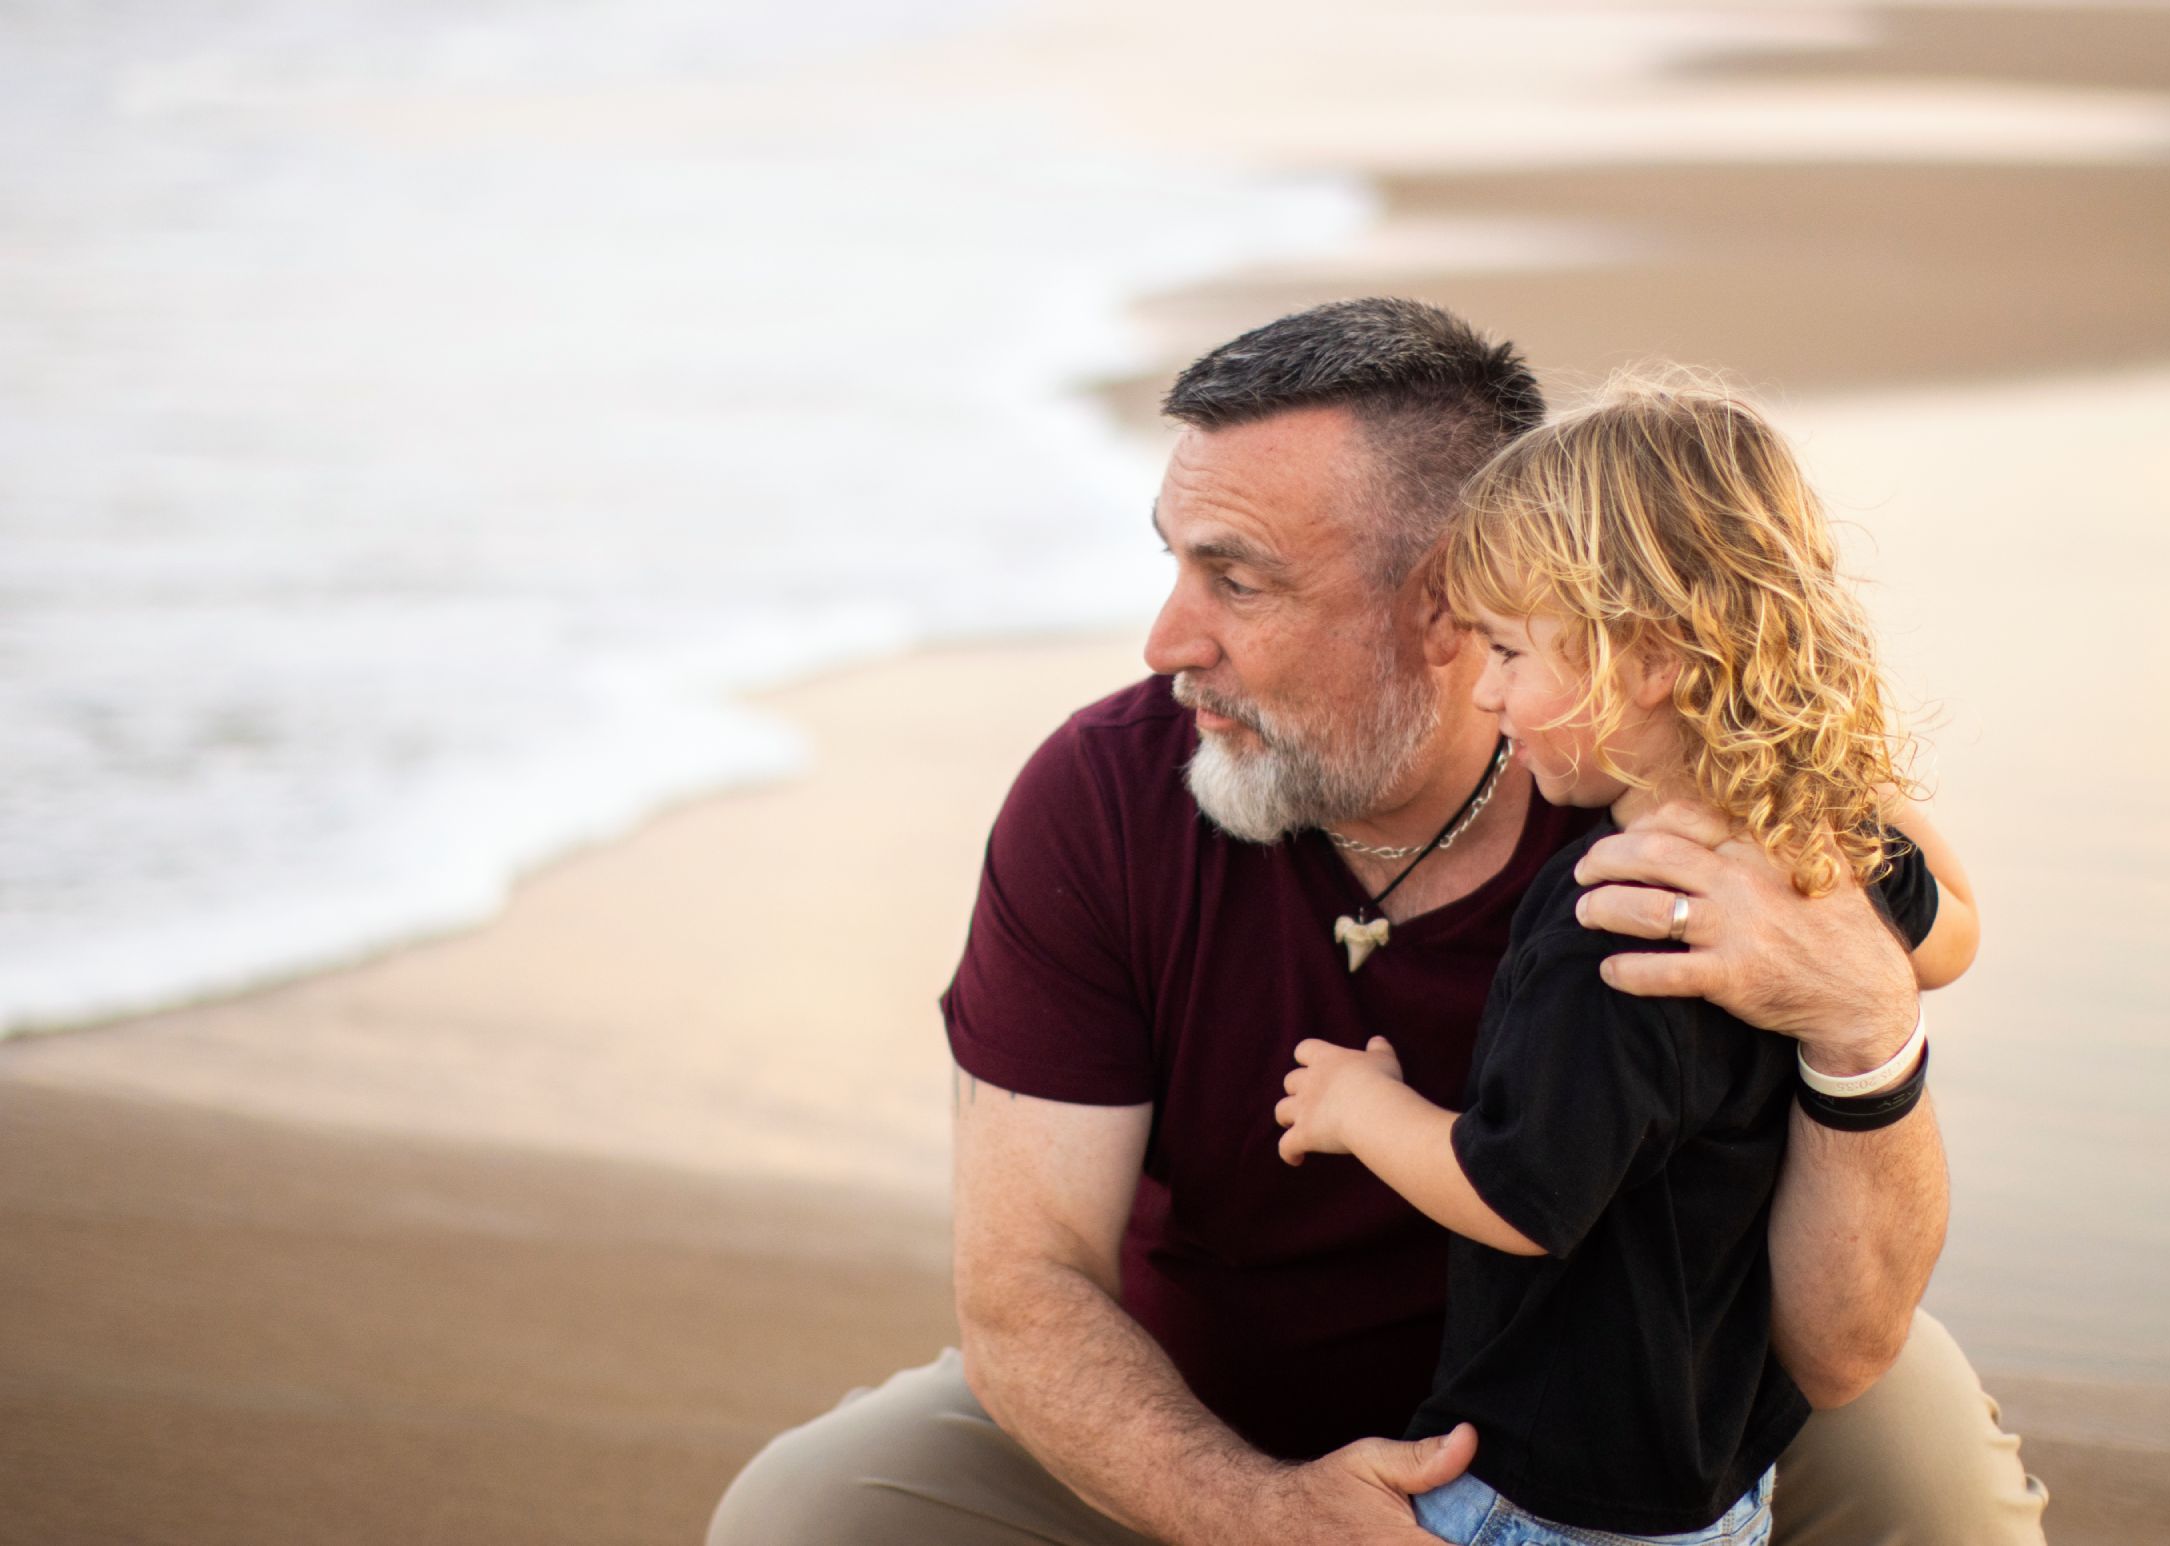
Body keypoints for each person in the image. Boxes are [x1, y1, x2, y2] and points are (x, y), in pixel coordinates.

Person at [706, 299, 2048, 1546]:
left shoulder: (1686, 782)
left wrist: (1863, 1011)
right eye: (1174, 563)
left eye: (1237, 579)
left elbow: (1844, 1342)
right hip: (1215, 1404)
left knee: (1939, 1502)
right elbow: (1026, 1286)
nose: (1168, 639)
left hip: (1667, 1400)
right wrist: (1260, 1509)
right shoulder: (1104, 794)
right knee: (807, 1513)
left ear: (1454, 604)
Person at [1271, 372, 1981, 1546]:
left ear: (1647, 658)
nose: (1486, 692)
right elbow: (1950, 922)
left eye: (1509, 650)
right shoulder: (1823, 838)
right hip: (1720, 1478)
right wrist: (1846, 792)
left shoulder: (1622, 907)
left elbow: (1520, 1195)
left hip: (1545, 1495)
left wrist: (1364, 1105)